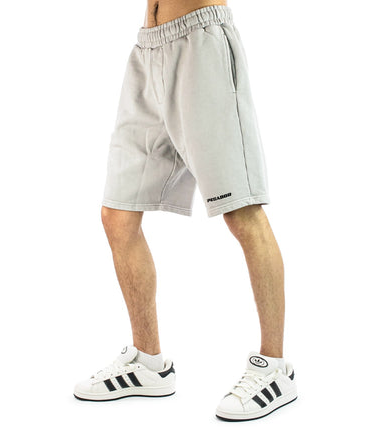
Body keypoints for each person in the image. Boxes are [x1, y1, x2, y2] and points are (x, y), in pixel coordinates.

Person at [73, 0, 297, 421]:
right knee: (118, 215)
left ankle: (275, 368)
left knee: (241, 210)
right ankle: (148, 363)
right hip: (148, 47)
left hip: (202, 44)